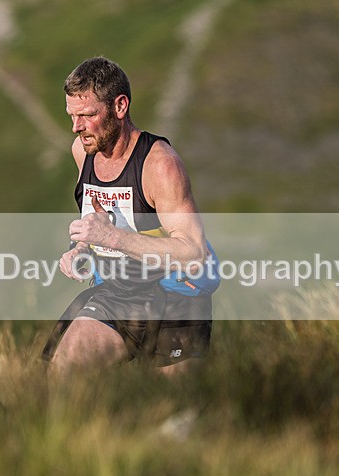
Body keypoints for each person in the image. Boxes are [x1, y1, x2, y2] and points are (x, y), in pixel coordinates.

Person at [42, 56, 213, 374]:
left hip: (176, 296)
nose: (76, 127)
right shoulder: (83, 151)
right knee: (60, 373)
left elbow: (193, 251)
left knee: (178, 406)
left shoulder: (160, 165)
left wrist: (112, 238)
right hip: (120, 291)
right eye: (72, 116)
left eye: (87, 115)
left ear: (120, 107)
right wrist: (80, 249)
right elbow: (103, 220)